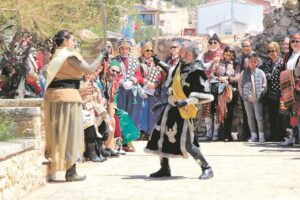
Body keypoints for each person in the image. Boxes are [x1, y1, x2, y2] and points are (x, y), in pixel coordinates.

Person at [44, 30, 107, 182]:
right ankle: (71, 172)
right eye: (72, 40)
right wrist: (101, 55)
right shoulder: (68, 55)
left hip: (54, 96)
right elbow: (90, 69)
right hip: (68, 98)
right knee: (72, 133)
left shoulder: (56, 55)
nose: (74, 42)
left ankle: (65, 167)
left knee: (60, 133)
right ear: (65, 41)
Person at [146, 41, 214, 180]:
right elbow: (172, 72)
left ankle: (206, 167)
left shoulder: (197, 70)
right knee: (161, 137)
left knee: (188, 143)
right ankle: (165, 168)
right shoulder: (181, 65)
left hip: (186, 111)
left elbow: (206, 94)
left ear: (189, 54)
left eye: (181, 51)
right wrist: (159, 62)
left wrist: (187, 101)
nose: (179, 54)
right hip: (171, 107)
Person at [112, 37, 142, 152]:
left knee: (131, 115)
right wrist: (121, 81)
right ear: (119, 49)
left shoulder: (135, 60)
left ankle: (128, 141)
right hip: (119, 91)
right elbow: (113, 72)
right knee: (121, 115)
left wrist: (133, 80)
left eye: (126, 48)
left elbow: (139, 75)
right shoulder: (115, 60)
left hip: (132, 92)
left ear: (129, 49)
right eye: (122, 48)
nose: (124, 50)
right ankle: (122, 142)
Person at [238, 52, 267, 143]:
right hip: (248, 98)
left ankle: (261, 135)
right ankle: (253, 135)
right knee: (250, 117)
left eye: (255, 62)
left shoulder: (261, 72)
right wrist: (243, 94)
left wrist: (261, 93)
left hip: (258, 98)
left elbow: (264, 85)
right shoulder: (243, 72)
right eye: (251, 61)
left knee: (259, 117)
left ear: (257, 62)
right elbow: (240, 85)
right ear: (248, 62)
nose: (252, 63)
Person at [260, 42, 285, 141]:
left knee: (281, 115)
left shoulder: (282, 62)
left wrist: (269, 76)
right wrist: (270, 76)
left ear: (277, 50)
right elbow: (265, 74)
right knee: (271, 114)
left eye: (273, 51)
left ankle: (281, 135)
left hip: (280, 92)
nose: (270, 53)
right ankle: (273, 135)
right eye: (269, 51)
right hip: (270, 93)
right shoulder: (267, 63)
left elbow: (276, 76)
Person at [138, 42, 162, 139]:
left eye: (151, 50)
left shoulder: (156, 63)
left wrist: (156, 84)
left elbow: (160, 76)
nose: (149, 52)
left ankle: (151, 133)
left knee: (153, 112)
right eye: (147, 50)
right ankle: (142, 132)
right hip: (142, 90)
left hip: (154, 91)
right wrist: (147, 83)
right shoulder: (139, 63)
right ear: (143, 51)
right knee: (142, 112)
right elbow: (137, 76)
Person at [202, 33, 223, 141]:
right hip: (206, 85)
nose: (212, 44)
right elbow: (202, 68)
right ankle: (209, 133)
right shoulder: (205, 55)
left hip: (218, 85)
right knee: (207, 110)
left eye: (215, 42)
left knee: (217, 109)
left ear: (219, 44)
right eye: (210, 42)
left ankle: (215, 133)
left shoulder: (223, 54)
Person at [217, 46, 239, 141]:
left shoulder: (236, 64)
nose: (228, 55)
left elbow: (238, 77)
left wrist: (228, 79)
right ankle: (221, 134)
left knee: (229, 112)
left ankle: (227, 135)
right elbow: (213, 74)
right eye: (226, 53)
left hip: (231, 90)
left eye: (230, 53)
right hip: (220, 89)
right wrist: (219, 78)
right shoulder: (220, 63)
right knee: (220, 111)